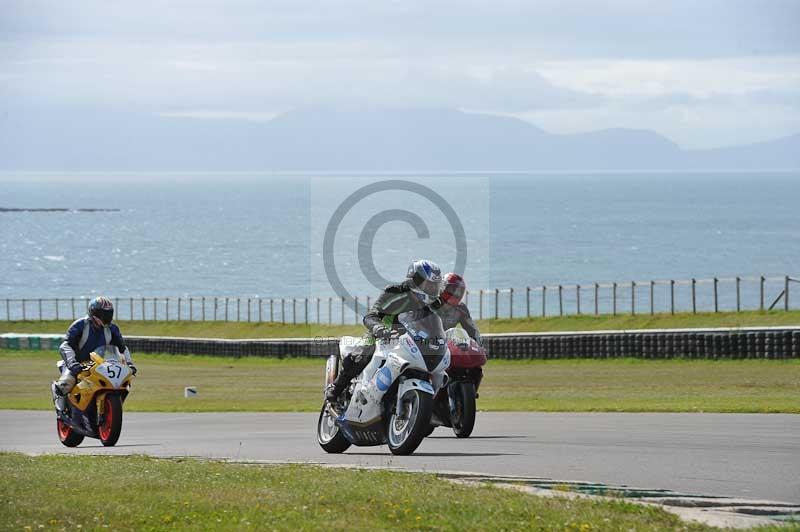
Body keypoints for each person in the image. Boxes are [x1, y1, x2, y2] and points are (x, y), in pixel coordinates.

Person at [325, 259, 443, 403]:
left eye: (434, 286)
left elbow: (437, 325)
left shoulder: (433, 304)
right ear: (416, 281)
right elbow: (371, 315)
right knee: (361, 355)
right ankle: (336, 388)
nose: (432, 290)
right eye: (429, 285)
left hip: (410, 340)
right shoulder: (394, 293)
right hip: (382, 335)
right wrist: (379, 328)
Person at [52, 297, 136, 410]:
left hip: (99, 364)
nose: (107, 317)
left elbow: (122, 348)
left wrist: (129, 364)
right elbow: (65, 345)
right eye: (103, 314)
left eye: (109, 313)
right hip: (77, 364)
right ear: (94, 313)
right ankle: (61, 406)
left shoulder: (113, 329)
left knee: (120, 383)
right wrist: (72, 363)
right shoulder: (80, 325)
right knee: (66, 384)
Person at [435, 273, 482, 345]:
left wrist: (480, 346)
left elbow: (473, 330)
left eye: (459, 291)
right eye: (452, 290)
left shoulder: (461, 308)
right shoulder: (430, 303)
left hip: (446, 345)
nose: (456, 294)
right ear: (443, 287)